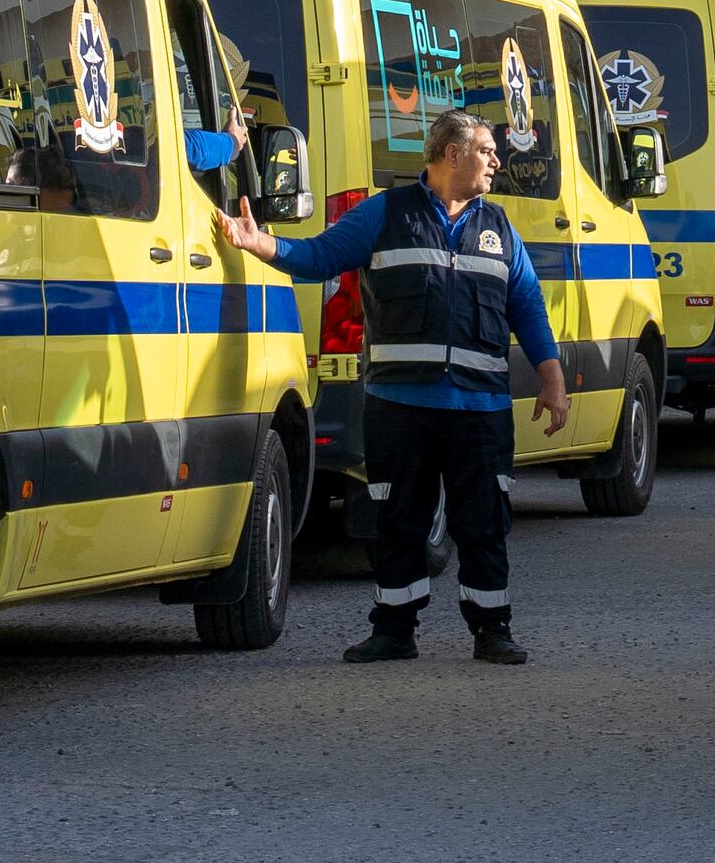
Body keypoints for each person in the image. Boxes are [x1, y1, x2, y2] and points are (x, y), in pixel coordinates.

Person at [218, 109, 572, 664]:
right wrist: (260, 244)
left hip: (480, 408)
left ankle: (492, 630)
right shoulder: (384, 214)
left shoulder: (499, 227)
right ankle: (394, 630)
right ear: (451, 154)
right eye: (485, 149)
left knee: (484, 522)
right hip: (401, 406)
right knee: (398, 519)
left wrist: (552, 380)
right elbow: (319, 257)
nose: (496, 160)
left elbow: (526, 306)